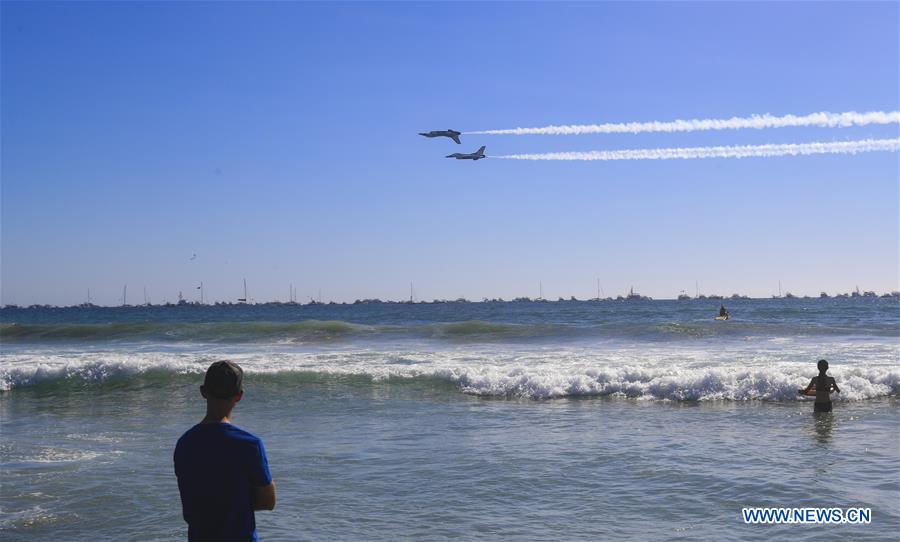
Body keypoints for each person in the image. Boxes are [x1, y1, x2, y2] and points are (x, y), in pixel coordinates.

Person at [175, 361, 276, 541]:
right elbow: (268, 502)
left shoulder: (185, 443)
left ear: (203, 392)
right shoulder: (249, 445)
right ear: (239, 396)